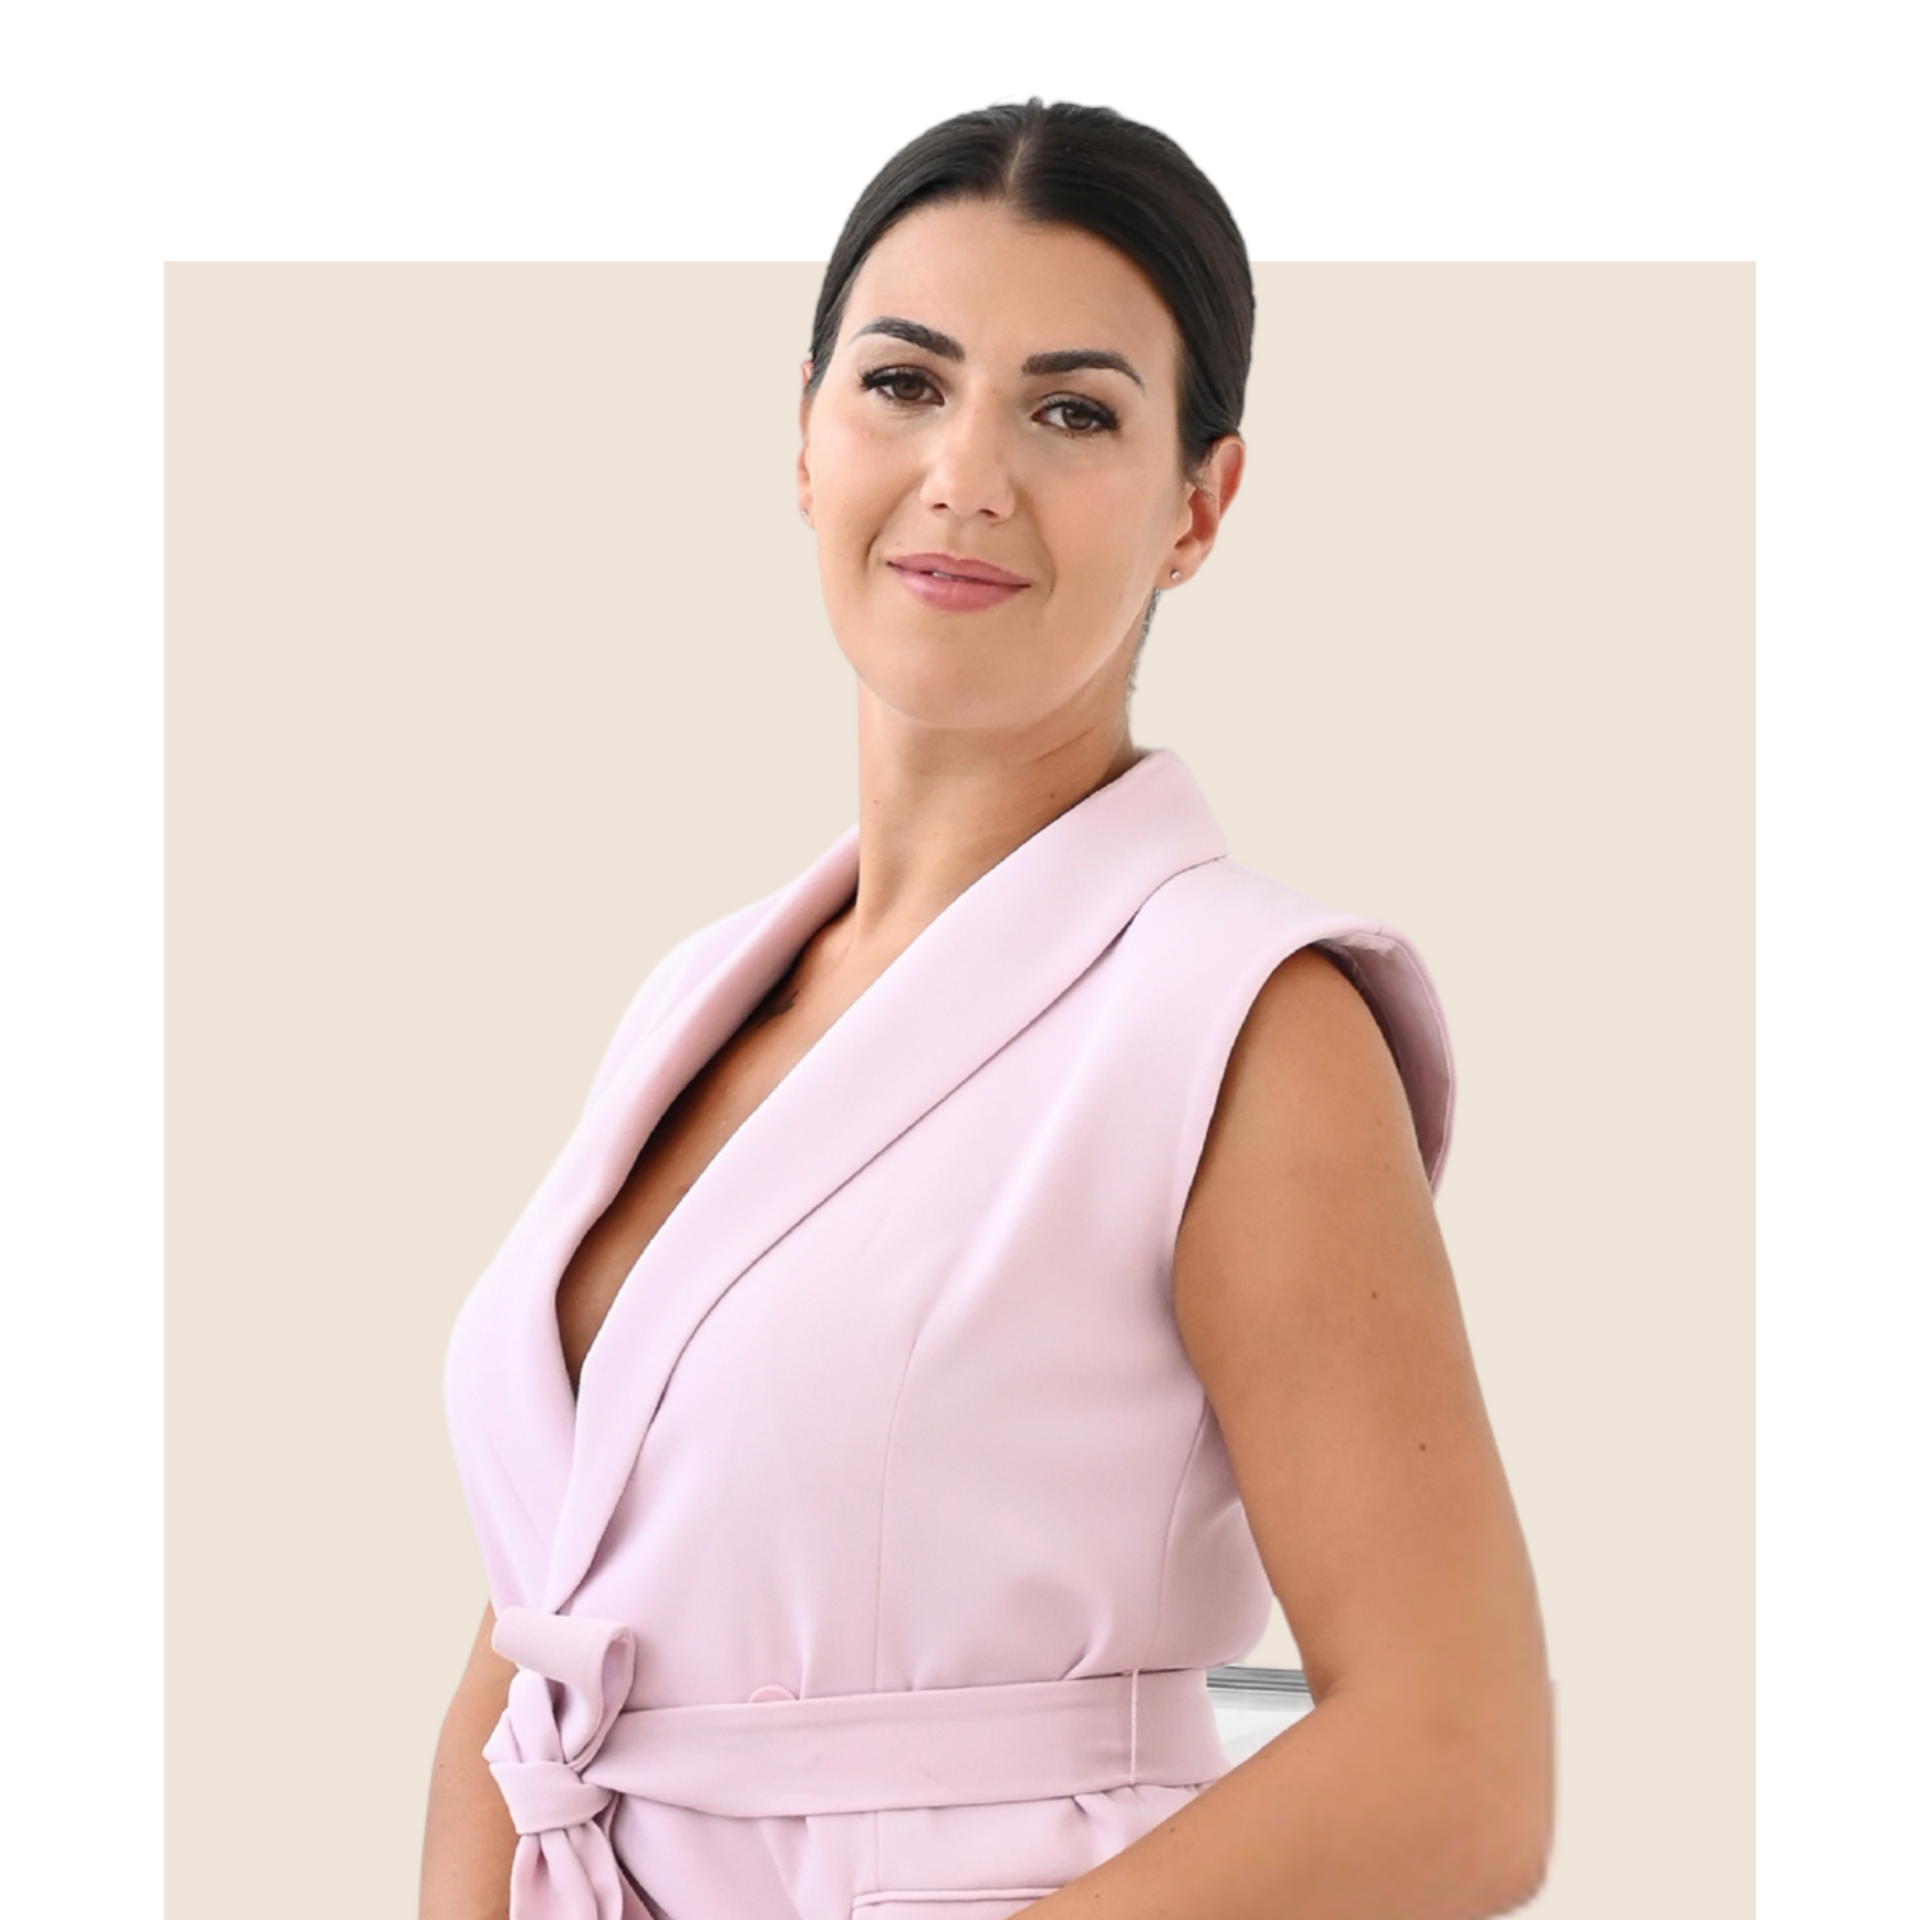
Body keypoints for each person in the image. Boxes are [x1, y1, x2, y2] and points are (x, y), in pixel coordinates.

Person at [421, 96, 1553, 1920]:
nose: (965, 472)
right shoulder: (691, 1004)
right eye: (902, 382)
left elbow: (1457, 1768)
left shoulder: (1241, 1029)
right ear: (802, 438)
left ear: (1201, 505)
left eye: (1073, 411)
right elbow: (547, 1632)